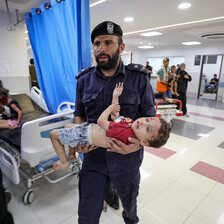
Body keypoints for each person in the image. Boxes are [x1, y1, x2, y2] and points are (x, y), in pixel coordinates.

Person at [72, 21, 156, 224]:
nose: (101, 48)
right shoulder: (84, 80)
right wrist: (77, 139)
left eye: (108, 43)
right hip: (93, 159)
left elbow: (150, 117)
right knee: (86, 215)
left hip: (127, 160)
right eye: (97, 43)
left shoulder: (138, 78)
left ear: (121, 47)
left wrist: (136, 145)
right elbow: (79, 115)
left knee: (129, 206)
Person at [50, 83, 170, 170]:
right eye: (147, 119)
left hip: (85, 134)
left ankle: (63, 162)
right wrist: (115, 97)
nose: (144, 122)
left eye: (148, 129)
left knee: (53, 135)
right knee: (67, 126)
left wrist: (109, 108)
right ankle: (71, 154)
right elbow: (115, 117)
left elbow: (102, 121)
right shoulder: (130, 126)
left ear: (145, 143)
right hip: (87, 129)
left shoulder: (125, 132)